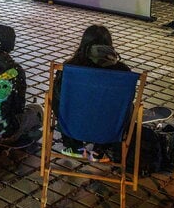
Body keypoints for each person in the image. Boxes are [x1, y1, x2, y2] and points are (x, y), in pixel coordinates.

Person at [52, 25, 132, 160]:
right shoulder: (123, 72)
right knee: (128, 107)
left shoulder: (70, 68)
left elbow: (58, 97)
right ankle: (101, 149)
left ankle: (73, 145)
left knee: (59, 99)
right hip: (108, 126)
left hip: (73, 123)